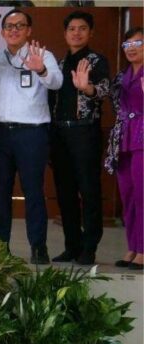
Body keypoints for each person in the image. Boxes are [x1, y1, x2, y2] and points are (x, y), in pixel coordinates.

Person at [0, 10, 63, 264]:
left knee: (33, 192)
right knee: (0, 193)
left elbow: (57, 82)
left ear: (29, 30)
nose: (14, 30)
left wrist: (40, 70)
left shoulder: (43, 55)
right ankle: (0, 248)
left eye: (20, 25)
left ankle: (38, 247)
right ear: (2, 31)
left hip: (32, 133)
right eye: (9, 26)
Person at [49, 11, 110, 265]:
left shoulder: (97, 60)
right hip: (59, 133)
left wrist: (87, 88)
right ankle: (72, 245)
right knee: (65, 192)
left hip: (85, 131)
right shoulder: (60, 63)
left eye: (82, 28)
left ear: (90, 32)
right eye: (72, 28)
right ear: (65, 33)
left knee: (89, 190)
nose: (76, 33)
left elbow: (105, 89)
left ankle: (89, 247)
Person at [106, 27, 143, 270]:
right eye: (127, 44)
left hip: (142, 137)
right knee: (128, 195)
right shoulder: (121, 76)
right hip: (123, 138)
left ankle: (143, 250)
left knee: (143, 195)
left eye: (138, 43)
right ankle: (132, 247)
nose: (131, 48)